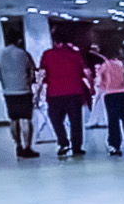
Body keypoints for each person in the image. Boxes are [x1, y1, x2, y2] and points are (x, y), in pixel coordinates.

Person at [38, 31, 92, 159]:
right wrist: (91, 87)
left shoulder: (47, 54)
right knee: (76, 122)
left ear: (56, 42)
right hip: (75, 93)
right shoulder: (76, 54)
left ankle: (63, 143)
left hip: (54, 94)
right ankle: (77, 148)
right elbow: (87, 72)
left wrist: (38, 92)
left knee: (56, 120)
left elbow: (42, 74)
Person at [92, 42, 124, 156]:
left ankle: (115, 146)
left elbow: (101, 83)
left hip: (111, 95)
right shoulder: (123, 64)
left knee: (113, 121)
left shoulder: (104, 66)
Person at [0, 34, 40, 158]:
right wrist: (29, 84)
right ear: (18, 41)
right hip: (24, 91)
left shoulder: (0, 54)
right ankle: (28, 147)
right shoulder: (24, 54)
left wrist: (5, 85)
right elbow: (31, 71)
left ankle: (18, 145)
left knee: (14, 119)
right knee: (26, 119)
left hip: (9, 92)